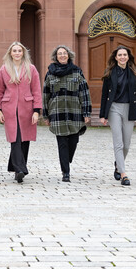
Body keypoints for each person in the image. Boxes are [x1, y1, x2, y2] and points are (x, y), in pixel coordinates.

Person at [0, 41, 42, 184]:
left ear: (23, 53)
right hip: (9, 108)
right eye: (14, 51)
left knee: (25, 139)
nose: (17, 53)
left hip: (27, 107)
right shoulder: (4, 69)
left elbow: (36, 90)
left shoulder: (31, 68)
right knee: (15, 138)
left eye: (19, 51)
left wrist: (36, 110)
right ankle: (20, 169)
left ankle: (16, 168)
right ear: (10, 53)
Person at [42, 45, 91, 182]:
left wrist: (86, 112)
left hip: (74, 111)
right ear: (56, 57)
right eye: (59, 54)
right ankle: (66, 172)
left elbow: (84, 93)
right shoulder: (50, 73)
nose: (62, 55)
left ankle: (66, 159)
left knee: (74, 140)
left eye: (64, 53)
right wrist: (45, 115)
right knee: (62, 143)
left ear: (68, 56)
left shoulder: (77, 72)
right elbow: (45, 94)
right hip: (57, 112)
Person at [99, 45, 136, 186]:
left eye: (124, 55)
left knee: (126, 144)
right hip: (114, 108)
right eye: (120, 55)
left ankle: (118, 165)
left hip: (130, 109)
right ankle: (124, 174)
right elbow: (104, 95)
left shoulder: (134, 73)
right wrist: (103, 114)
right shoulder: (109, 73)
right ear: (116, 57)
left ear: (128, 57)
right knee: (118, 143)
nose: (122, 57)